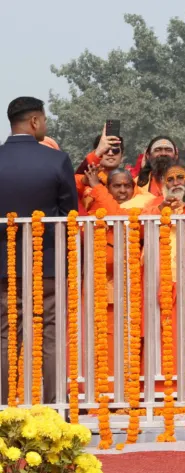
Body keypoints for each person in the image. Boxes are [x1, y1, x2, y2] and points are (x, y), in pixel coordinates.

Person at [0, 97, 78, 405]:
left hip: (3, 265)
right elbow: (69, 214)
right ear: (34, 121)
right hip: (47, 264)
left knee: (6, 336)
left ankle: (5, 410)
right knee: (51, 335)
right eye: (44, 121)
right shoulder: (56, 160)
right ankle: (55, 407)